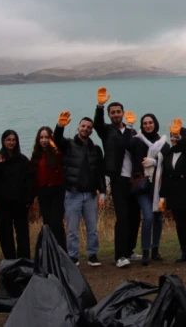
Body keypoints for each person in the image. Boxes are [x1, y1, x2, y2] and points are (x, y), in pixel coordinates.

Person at [92, 87, 139, 268]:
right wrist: (100, 106)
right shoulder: (106, 131)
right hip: (118, 180)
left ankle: (129, 250)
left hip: (133, 180)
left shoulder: (131, 130)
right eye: (113, 112)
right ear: (110, 115)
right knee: (123, 217)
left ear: (123, 113)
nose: (116, 114)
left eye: (118, 111)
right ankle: (120, 256)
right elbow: (97, 124)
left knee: (135, 216)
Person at [54, 111, 106, 266]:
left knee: (92, 228)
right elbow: (56, 140)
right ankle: (73, 256)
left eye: (89, 127)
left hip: (90, 195)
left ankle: (92, 255)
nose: (85, 129)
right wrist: (59, 126)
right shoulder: (68, 145)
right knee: (72, 229)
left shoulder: (96, 149)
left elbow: (100, 172)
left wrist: (102, 191)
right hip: (73, 194)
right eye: (83, 126)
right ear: (78, 128)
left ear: (91, 131)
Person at [0, 130, 34, 260]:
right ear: (3, 141)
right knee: (5, 232)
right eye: (8, 140)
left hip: (20, 202)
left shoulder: (23, 160)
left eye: (13, 140)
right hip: (2, 202)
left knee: (22, 232)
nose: (11, 142)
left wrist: (29, 199)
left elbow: (30, 180)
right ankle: (9, 258)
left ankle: (24, 258)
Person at [129, 113, 169, 265]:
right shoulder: (136, 140)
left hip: (158, 186)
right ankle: (145, 251)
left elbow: (167, 158)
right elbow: (126, 145)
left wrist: (156, 160)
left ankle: (156, 250)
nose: (147, 125)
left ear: (155, 123)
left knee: (158, 218)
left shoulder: (163, 142)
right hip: (143, 187)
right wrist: (129, 127)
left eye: (150, 122)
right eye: (144, 123)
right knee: (148, 218)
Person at [160, 122, 186, 263]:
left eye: (176, 136)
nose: (173, 138)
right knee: (179, 223)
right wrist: (162, 195)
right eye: (171, 136)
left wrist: (180, 139)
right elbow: (165, 175)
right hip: (173, 191)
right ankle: (184, 251)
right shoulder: (169, 153)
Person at [30, 126, 67, 251]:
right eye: (41, 137)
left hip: (57, 190)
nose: (44, 140)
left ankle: (62, 251)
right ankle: (50, 251)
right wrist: (34, 196)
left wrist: (54, 145)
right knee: (47, 223)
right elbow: (34, 176)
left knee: (57, 222)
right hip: (43, 191)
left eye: (47, 137)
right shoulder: (36, 154)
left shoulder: (57, 152)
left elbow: (62, 160)